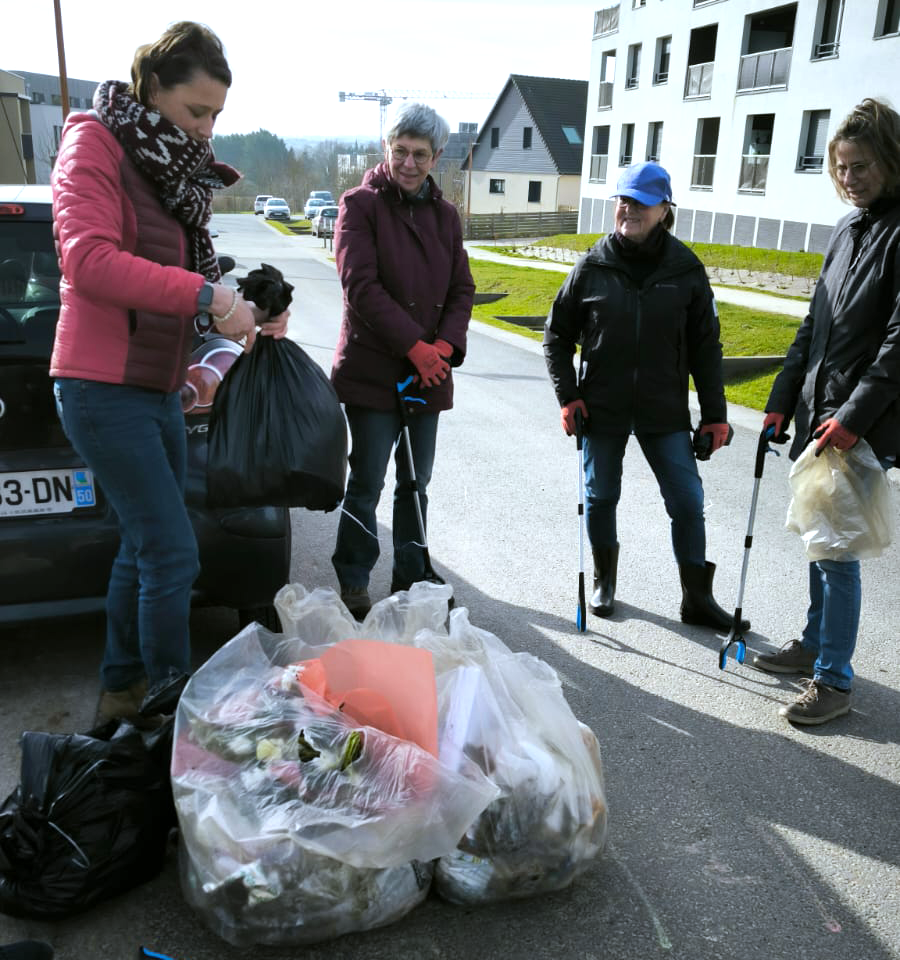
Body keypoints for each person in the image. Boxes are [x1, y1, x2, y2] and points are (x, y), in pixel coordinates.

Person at [50, 21, 288, 725]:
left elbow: (186, 274)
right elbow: (86, 259)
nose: (208, 129)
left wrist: (237, 307)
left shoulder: (171, 165)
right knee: (173, 555)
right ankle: (166, 718)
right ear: (153, 89)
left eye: (217, 113)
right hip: (100, 385)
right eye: (196, 111)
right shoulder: (94, 142)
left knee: (144, 546)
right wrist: (202, 296)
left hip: (156, 385)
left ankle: (121, 693)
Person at [544, 161, 743, 629]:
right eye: (623, 199)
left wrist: (714, 415)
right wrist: (568, 396)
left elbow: (706, 349)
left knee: (687, 501)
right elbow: (556, 337)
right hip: (602, 409)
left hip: (664, 411)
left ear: (664, 211)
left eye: (640, 202)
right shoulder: (591, 266)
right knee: (601, 496)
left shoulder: (686, 270)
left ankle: (696, 598)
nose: (628, 208)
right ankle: (603, 582)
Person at [754, 98, 900, 725]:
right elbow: (814, 324)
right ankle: (815, 644)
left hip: (857, 421)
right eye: (840, 167)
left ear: (891, 160)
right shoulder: (847, 229)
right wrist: (781, 401)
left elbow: (899, 342)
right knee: (820, 541)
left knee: (836, 552)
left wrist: (855, 417)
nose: (848, 178)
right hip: (821, 411)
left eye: (861, 166)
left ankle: (834, 681)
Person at [330, 101, 474, 619]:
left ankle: (410, 576)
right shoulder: (359, 205)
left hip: (428, 374)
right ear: (386, 150)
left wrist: (442, 349)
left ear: (436, 157)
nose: (408, 163)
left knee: (417, 482)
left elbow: (462, 288)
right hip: (374, 371)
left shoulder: (445, 216)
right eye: (399, 151)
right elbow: (360, 288)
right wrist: (414, 346)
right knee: (366, 482)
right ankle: (353, 578)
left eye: (419, 154)